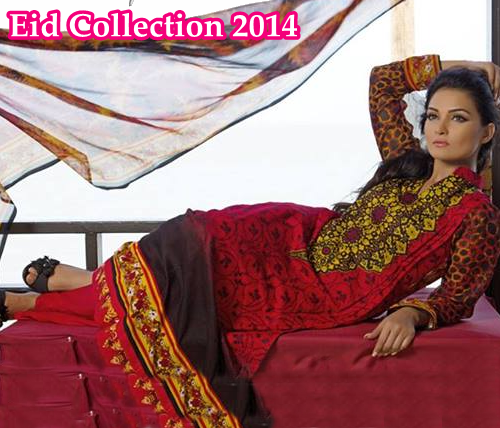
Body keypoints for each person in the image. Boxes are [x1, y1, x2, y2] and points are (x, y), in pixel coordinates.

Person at [1, 54, 500, 428]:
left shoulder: (475, 213)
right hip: (291, 233)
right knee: (191, 237)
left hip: (314, 292)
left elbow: (459, 295)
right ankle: (79, 283)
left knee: (180, 294)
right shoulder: (407, 163)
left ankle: (39, 301)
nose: (440, 128)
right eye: (433, 115)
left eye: (458, 118)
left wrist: (413, 313)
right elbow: (385, 81)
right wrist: (465, 69)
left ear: (486, 132)